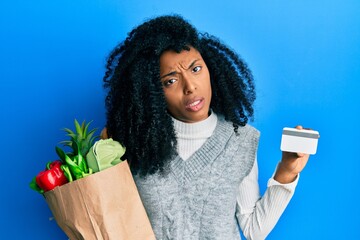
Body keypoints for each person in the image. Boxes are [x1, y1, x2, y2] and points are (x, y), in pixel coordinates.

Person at [102, 15, 310, 240]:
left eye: (196, 69)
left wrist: (287, 171)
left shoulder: (240, 140)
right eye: (170, 81)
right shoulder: (133, 142)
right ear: (152, 92)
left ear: (211, 69)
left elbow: (254, 230)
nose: (190, 86)